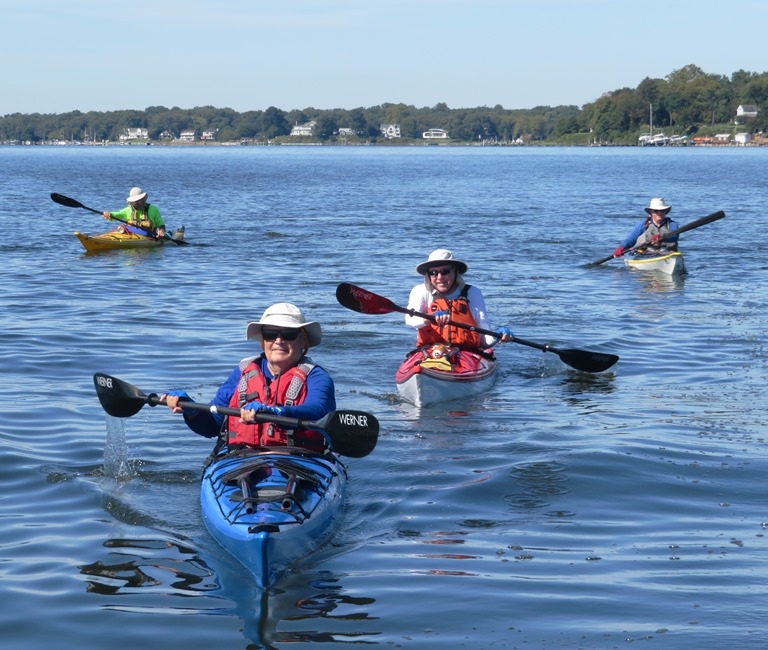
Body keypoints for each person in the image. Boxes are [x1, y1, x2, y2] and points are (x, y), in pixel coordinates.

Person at [163, 303, 336, 453]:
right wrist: (192, 409)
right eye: (270, 333)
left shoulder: (317, 376)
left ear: (302, 341)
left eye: (288, 334)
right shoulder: (243, 372)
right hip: (242, 459)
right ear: (263, 340)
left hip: (300, 458)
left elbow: (319, 410)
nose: (278, 340)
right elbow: (212, 425)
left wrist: (278, 412)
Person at [405, 248, 513, 350]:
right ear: (428, 275)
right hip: (430, 352)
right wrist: (429, 318)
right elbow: (410, 320)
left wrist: (497, 336)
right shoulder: (420, 291)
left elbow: (483, 341)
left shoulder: (472, 293)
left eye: (445, 271)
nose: (439, 277)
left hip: (466, 353)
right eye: (433, 273)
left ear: (455, 272)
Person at [613, 197, 679, 258]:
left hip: (667, 253)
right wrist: (621, 248)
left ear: (665, 212)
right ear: (650, 213)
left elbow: (674, 236)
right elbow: (631, 240)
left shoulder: (672, 224)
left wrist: (661, 237)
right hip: (647, 254)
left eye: (662, 211)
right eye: (656, 211)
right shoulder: (643, 224)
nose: (659, 213)